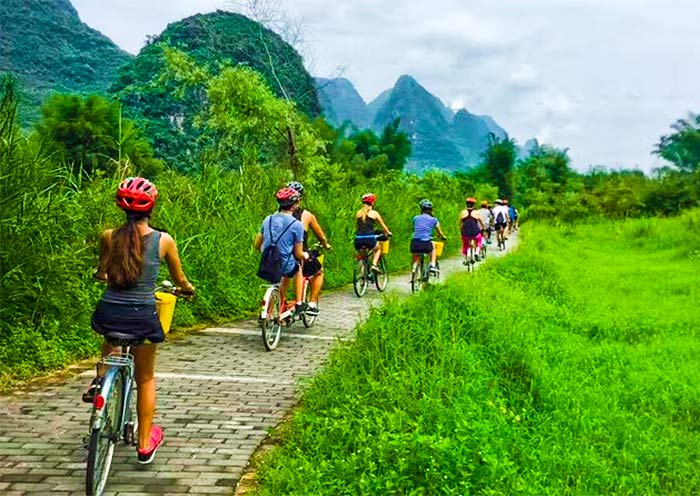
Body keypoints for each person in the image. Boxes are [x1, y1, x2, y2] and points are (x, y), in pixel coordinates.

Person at [87, 176, 195, 464]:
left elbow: (102, 272)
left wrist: (104, 276)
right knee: (145, 378)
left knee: (111, 337)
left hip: (108, 310)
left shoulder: (109, 236)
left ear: (121, 208)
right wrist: (187, 289)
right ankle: (145, 443)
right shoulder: (164, 241)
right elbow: (179, 279)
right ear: (152, 207)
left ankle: (100, 381)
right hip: (143, 317)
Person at [254, 187, 308, 315]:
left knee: (274, 283)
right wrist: (305, 255)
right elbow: (298, 253)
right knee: (298, 268)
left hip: (267, 263)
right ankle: (299, 303)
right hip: (285, 264)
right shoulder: (296, 224)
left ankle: (267, 313)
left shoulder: (267, 219)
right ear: (294, 205)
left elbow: (257, 245)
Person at [286, 181, 331, 317]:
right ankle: (311, 303)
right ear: (299, 199)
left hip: (280, 254)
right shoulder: (307, 216)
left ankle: (281, 303)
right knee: (319, 272)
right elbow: (320, 236)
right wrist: (325, 245)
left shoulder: (276, 216)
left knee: (285, 276)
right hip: (299, 255)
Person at [354, 193, 392, 272]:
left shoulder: (358, 213)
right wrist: (388, 232)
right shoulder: (374, 213)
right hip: (369, 238)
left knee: (364, 256)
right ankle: (374, 265)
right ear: (372, 202)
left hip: (358, 239)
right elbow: (382, 225)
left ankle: (363, 272)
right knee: (378, 249)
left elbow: (358, 227)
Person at [410, 199, 447, 273]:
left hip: (415, 243)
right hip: (426, 244)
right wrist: (442, 236)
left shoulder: (416, 218)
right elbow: (439, 231)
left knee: (416, 254)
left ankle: (414, 266)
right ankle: (432, 265)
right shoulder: (434, 219)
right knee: (433, 247)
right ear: (431, 210)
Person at [459, 197, 485, 264]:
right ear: (474, 205)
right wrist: (483, 228)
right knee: (479, 240)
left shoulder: (463, 212)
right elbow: (482, 223)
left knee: (465, 244)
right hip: (475, 231)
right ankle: (476, 252)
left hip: (465, 232)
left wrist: (461, 231)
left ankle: (465, 258)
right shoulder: (476, 213)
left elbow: (460, 224)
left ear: (466, 204)